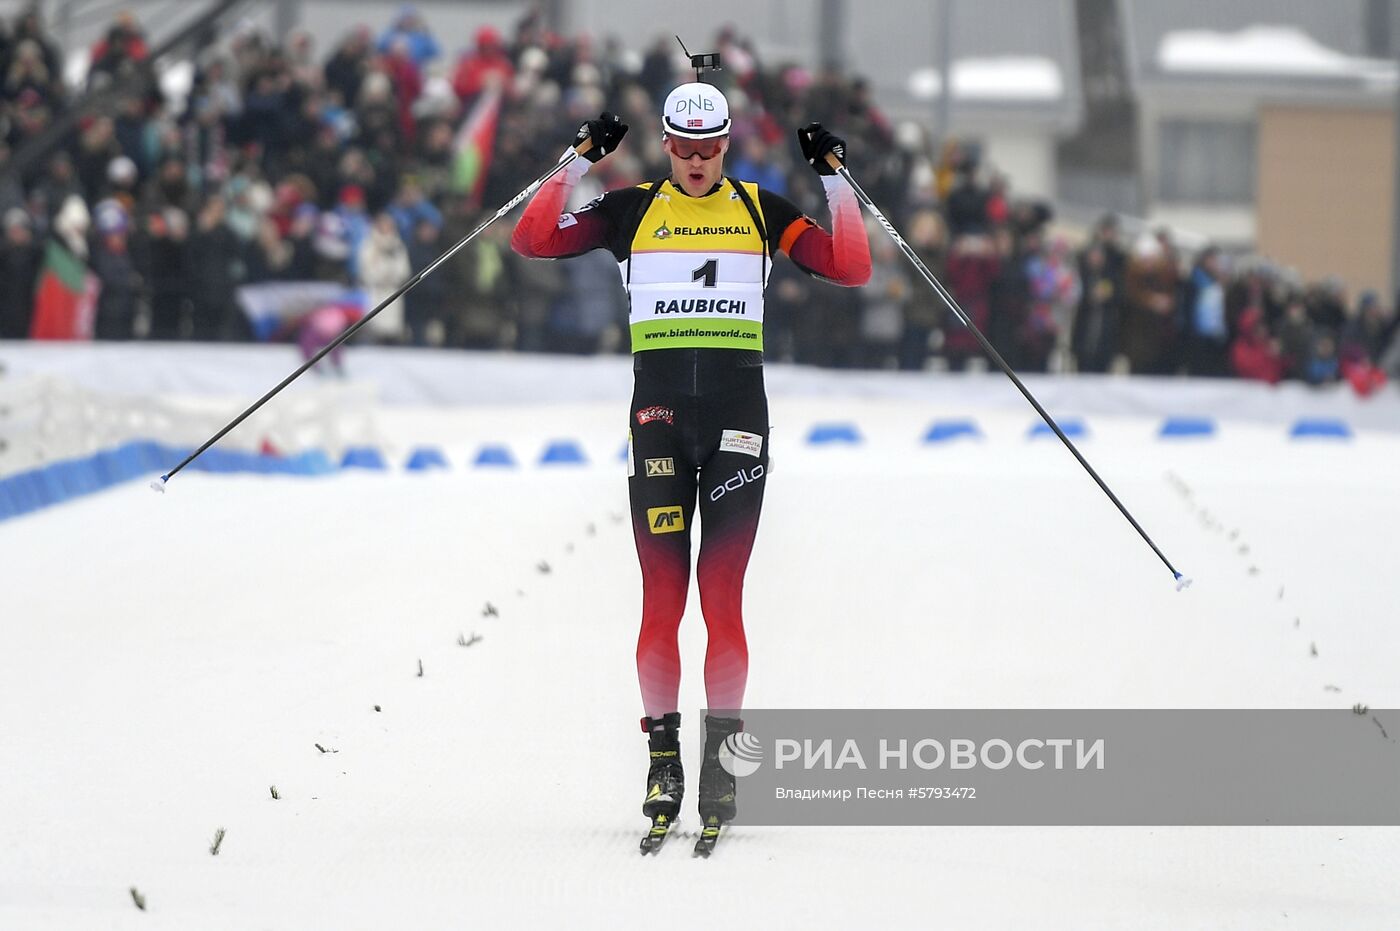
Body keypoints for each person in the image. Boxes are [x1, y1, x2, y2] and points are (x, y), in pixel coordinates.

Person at [511, 82, 871, 844]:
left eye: (710, 149)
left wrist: (835, 179)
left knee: (722, 599)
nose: (698, 162)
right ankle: (664, 758)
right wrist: (575, 162)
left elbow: (851, 266)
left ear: (727, 145)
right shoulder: (632, 209)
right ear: (666, 143)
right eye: (684, 147)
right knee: (662, 600)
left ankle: (721, 763)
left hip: (739, 425)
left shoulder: (760, 208)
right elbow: (533, 239)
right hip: (660, 425)